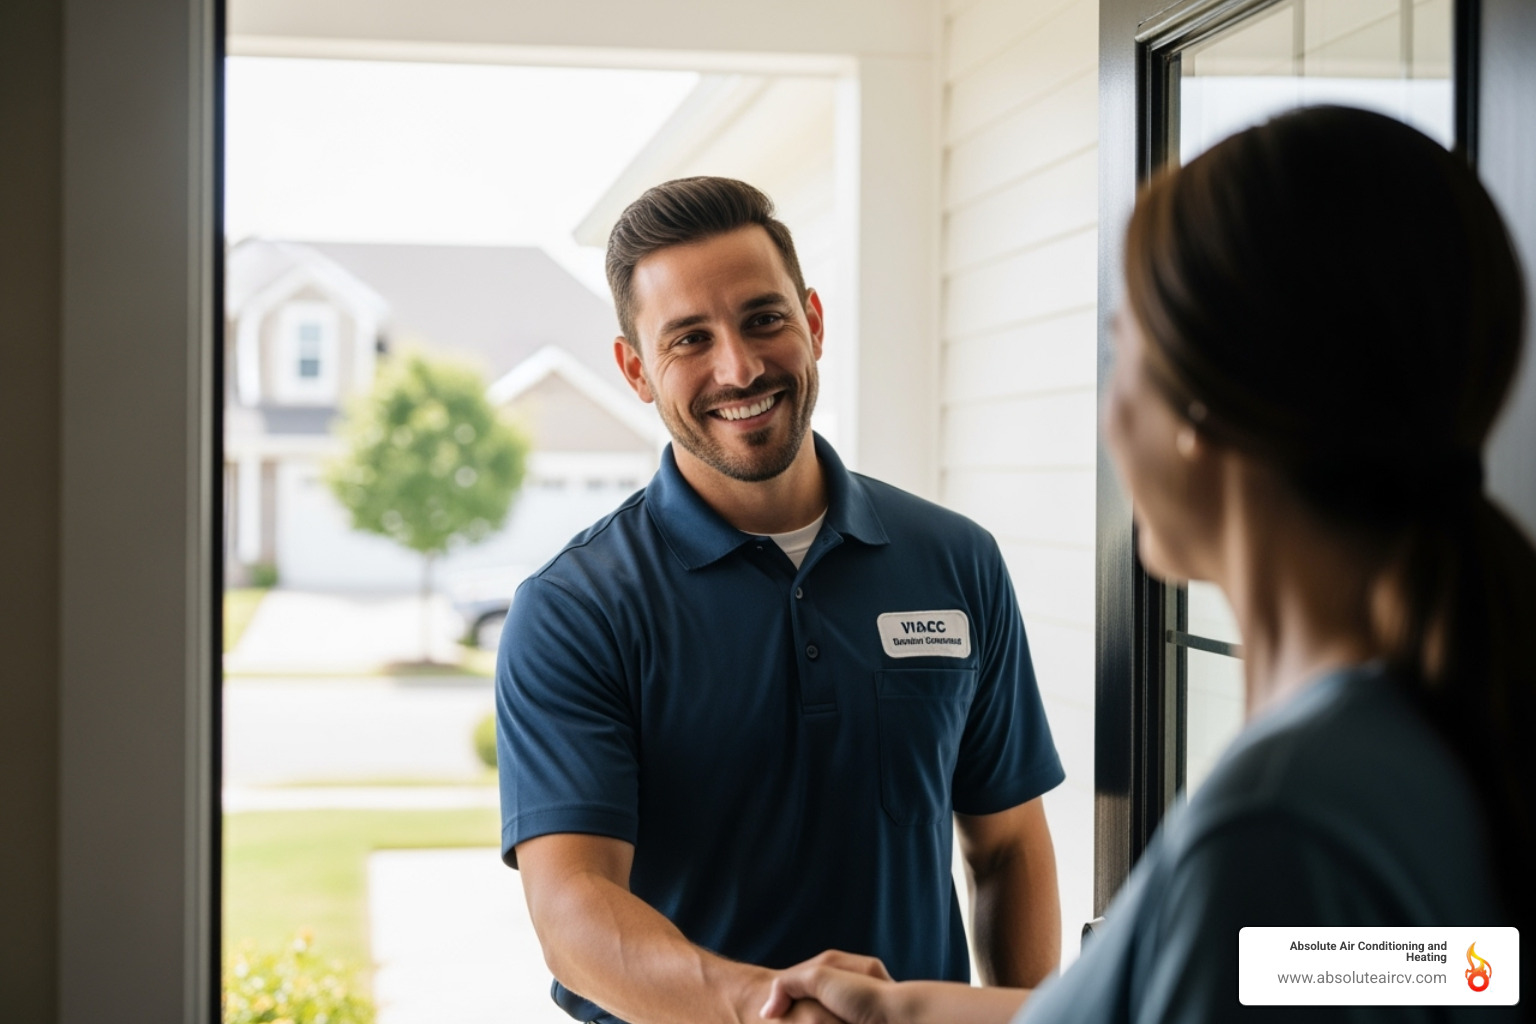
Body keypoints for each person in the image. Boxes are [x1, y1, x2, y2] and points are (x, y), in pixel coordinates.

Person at [758, 105, 1536, 1023]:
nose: (1105, 412)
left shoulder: (1275, 831)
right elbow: (1402, 975)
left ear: (1197, 415)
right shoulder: (1411, 749)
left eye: (1121, 346)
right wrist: (900, 1013)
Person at [496, 176, 1066, 1024]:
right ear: (635, 371)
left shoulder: (955, 561)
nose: (740, 367)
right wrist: (763, 1007)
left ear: (814, 322)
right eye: (690, 338)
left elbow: (1010, 846)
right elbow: (572, 911)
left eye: (764, 319)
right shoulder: (576, 610)